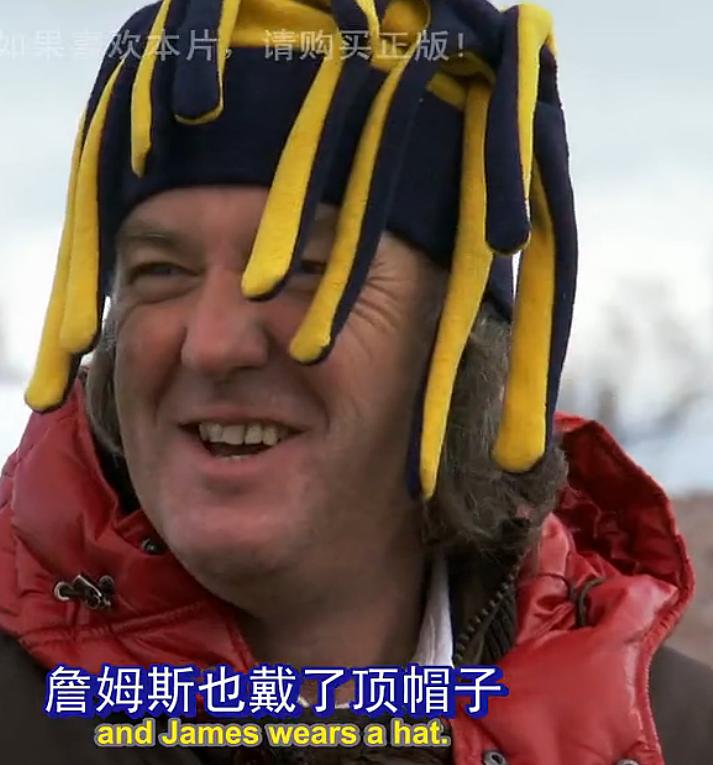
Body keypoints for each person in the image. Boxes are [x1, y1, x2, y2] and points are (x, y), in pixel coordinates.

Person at [0, 0, 711, 763]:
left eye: (308, 271)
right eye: (161, 271)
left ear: (460, 343)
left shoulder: (669, 736)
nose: (211, 344)